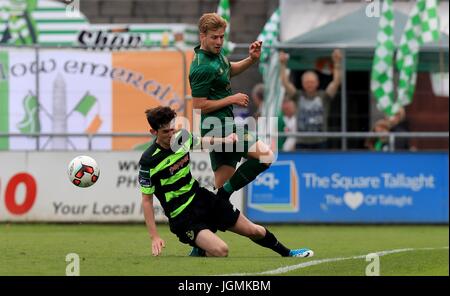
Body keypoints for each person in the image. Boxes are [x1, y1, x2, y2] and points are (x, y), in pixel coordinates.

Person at [139, 106, 314, 258]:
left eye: (172, 129)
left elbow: (202, 141)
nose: (171, 135)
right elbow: (147, 201)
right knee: (221, 250)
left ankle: (288, 253)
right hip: (182, 216)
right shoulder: (148, 161)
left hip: (201, 199)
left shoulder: (181, 138)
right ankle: (200, 247)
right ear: (153, 132)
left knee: (254, 230)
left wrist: (225, 140)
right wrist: (154, 236)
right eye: (165, 132)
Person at [189, 13, 274, 201]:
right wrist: (231, 99)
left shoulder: (216, 55)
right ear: (202, 36)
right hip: (216, 127)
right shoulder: (201, 67)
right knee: (266, 156)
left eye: (221, 36)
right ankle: (221, 198)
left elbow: (228, 70)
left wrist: (251, 59)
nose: (219, 41)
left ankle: (209, 213)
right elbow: (199, 106)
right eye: (214, 37)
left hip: (225, 124)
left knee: (219, 194)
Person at [279, 49, 342, 150]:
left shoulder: (324, 96)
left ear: (317, 83)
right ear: (303, 83)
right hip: (301, 141)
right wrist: (282, 64)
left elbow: (336, 82)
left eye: (312, 82)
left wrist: (337, 63)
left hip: (321, 141)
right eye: (307, 82)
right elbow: (285, 83)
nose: (309, 84)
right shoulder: (298, 96)